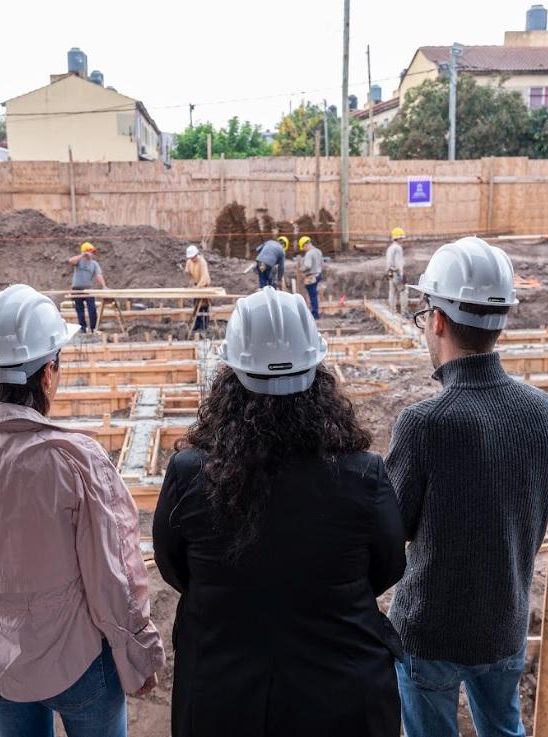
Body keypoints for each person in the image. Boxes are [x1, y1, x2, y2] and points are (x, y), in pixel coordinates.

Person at [153, 286, 406, 737]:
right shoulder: (363, 475)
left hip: (222, 698)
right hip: (342, 698)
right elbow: (388, 567)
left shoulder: (191, 473)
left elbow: (174, 568)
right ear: (318, 375)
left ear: (231, 376)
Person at [0, 284, 164, 737]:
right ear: (48, 372)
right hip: (76, 663)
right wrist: (138, 651)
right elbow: (114, 575)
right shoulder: (74, 459)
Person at [387, 238, 548, 737]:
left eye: (424, 318)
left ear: (437, 320)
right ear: (501, 320)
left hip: (430, 632)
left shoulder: (426, 422)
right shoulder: (540, 412)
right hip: (503, 621)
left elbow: (390, 529)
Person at [67, 242, 106, 333]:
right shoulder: (79, 261)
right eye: (90, 251)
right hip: (77, 289)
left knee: (92, 309)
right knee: (79, 309)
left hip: (88, 289)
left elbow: (99, 275)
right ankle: (83, 328)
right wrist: (82, 255)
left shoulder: (94, 264)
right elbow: (71, 261)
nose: (91, 254)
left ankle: (93, 328)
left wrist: (104, 286)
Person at [185, 244, 211, 331]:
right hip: (196, 286)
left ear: (196, 255)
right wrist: (192, 283)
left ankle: (203, 326)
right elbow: (188, 272)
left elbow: (204, 277)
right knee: (196, 306)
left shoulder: (202, 262)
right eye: (191, 258)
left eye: (193, 257)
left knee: (203, 307)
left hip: (204, 286)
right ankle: (196, 325)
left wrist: (199, 287)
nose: (192, 259)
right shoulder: (189, 262)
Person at [299, 235, 324, 319]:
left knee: (312, 296)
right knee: (314, 295)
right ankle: (315, 312)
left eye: (303, 247)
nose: (304, 249)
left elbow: (307, 266)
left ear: (305, 245)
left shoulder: (309, 253)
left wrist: (301, 269)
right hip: (318, 275)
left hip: (311, 277)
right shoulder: (318, 251)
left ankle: (315, 314)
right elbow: (322, 263)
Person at [386, 228, 407, 314]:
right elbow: (398, 263)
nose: (402, 239)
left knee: (392, 292)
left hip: (390, 273)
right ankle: (404, 313)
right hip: (397, 273)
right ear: (398, 238)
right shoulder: (398, 248)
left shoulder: (390, 248)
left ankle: (392, 311)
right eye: (401, 238)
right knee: (403, 292)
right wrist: (401, 275)